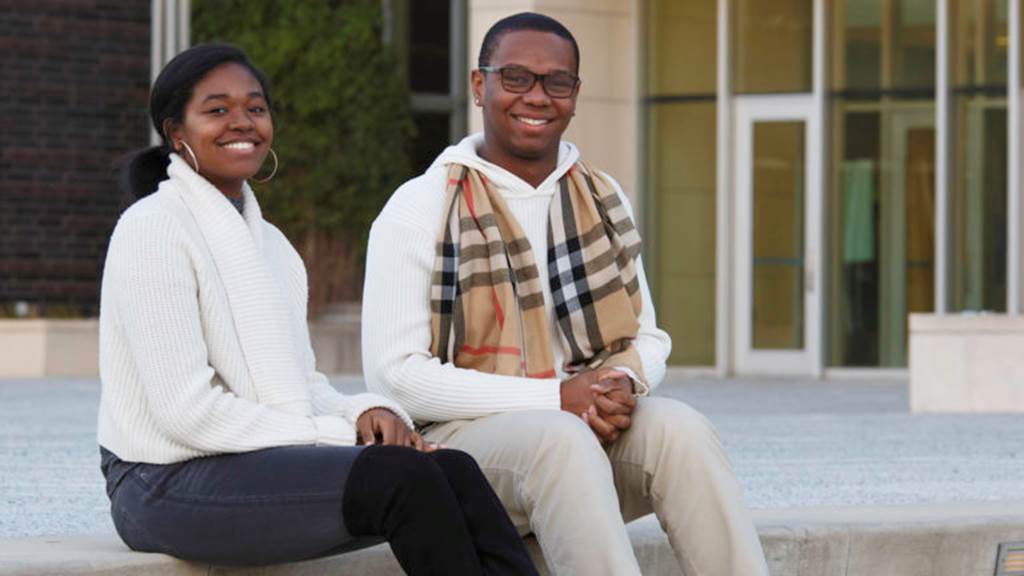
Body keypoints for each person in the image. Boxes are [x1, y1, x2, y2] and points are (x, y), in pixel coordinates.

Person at [98, 43, 538, 576]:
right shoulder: (153, 228)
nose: (243, 122)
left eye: (256, 108)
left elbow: (300, 384)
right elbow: (186, 413)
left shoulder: (274, 248)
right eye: (217, 110)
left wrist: (363, 415)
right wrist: (337, 436)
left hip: (248, 465)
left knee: (454, 469)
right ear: (176, 132)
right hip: (158, 483)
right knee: (403, 479)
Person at [362, 13, 769, 576]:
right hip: (458, 452)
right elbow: (395, 376)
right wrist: (557, 398)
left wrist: (618, 383)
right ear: (480, 86)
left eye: (557, 82)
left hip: (581, 432)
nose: (538, 97)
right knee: (560, 438)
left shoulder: (602, 198)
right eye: (516, 78)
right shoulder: (420, 206)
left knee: (681, 428)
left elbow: (646, 336)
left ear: (575, 95)